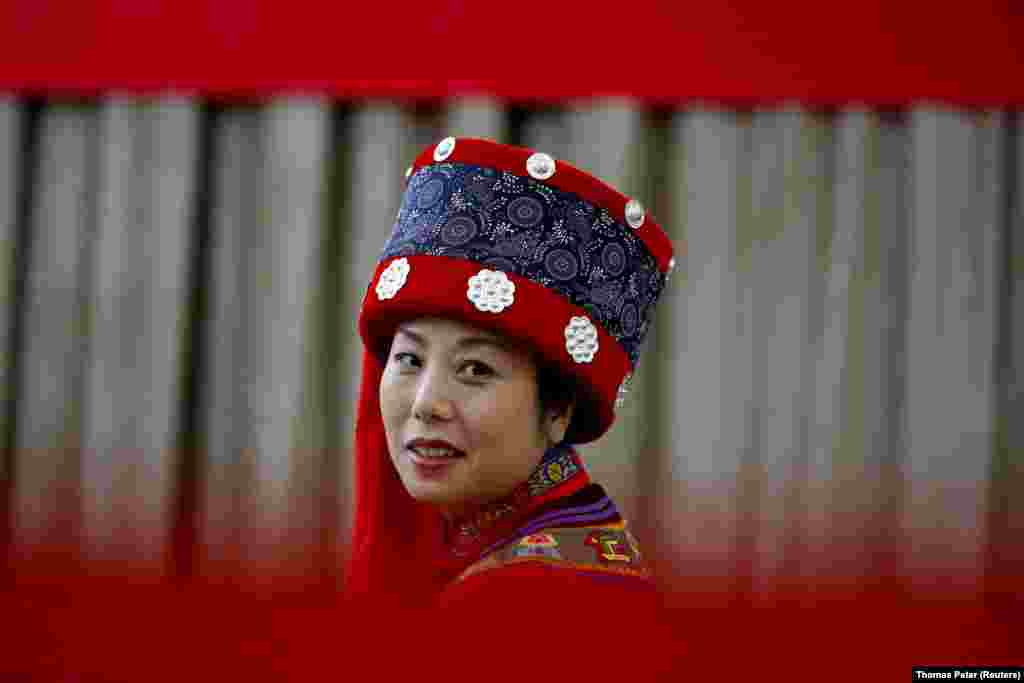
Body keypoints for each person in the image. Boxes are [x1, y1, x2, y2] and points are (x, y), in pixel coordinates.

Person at [345, 137, 675, 613]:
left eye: (475, 368)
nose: (425, 403)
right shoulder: (549, 544)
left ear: (559, 409)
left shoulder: (523, 602)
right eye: (410, 360)